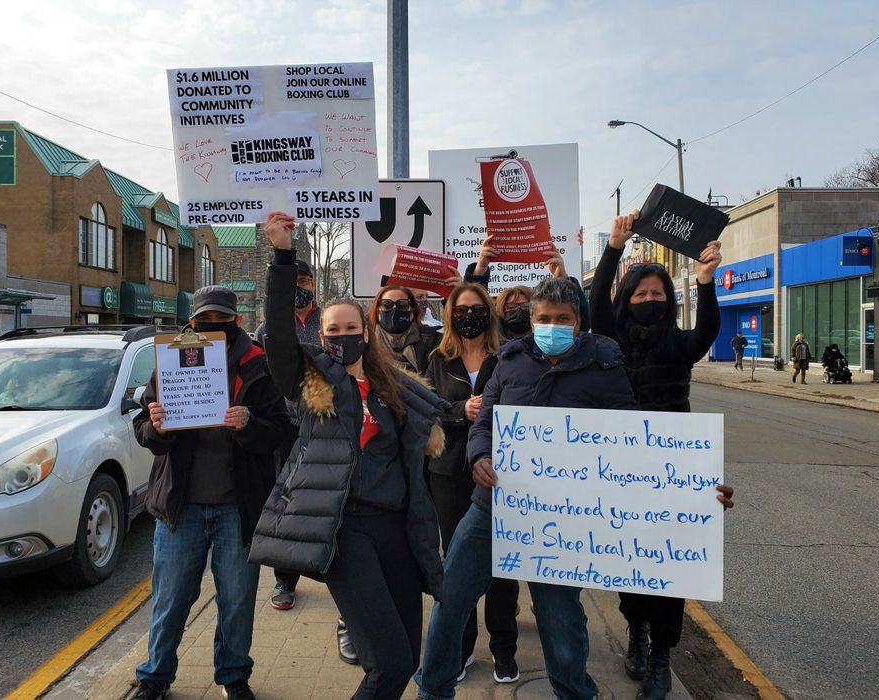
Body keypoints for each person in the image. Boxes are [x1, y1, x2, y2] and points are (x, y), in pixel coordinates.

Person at [250, 211, 448, 700]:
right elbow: (276, 334)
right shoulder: (310, 384)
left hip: (397, 531)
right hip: (343, 531)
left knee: (407, 656)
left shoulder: (394, 390)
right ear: (320, 335)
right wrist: (282, 255)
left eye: (350, 327)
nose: (341, 336)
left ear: (367, 331)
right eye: (331, 329)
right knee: (389, 665)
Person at [415, 277, 639, 700]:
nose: (552, 325)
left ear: (577, 322)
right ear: (532, 321)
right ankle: (433, 689)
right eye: (543, 318)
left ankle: (575, 692)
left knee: (561, 619)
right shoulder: (511, 360)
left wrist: (694, 489)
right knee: (451, 598)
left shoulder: (606, 366)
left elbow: (636, 440)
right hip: (491, 505)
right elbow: (484, 422)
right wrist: (479, 457)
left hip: (560, 518)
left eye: (563, 319)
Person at [590, 211, 734, 700]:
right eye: (640, 294)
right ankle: (636, 632)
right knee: (632, 561)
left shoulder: (679, 345)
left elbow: (708, 329)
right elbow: (596, 304)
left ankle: (663, 655)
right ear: (627, 301)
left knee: (669, 567)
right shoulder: (610, 346)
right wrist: (613, 247)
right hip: (624, 470)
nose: (649, 300)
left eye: (657, 295)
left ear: (669, 302)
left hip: (674, 471)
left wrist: (707, 281)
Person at [132, 286, 288, 700]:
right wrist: (157, 427)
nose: (213, 326)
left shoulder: (257, 364)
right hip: (179, 506)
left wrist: (250, 423)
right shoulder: (170, 360)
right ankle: (154, 678)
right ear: (192, 319)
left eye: (222, 319)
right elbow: (143, 427)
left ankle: (234, 676)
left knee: (237, 600)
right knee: (170, 600)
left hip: (238, 507)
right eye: (205, 319)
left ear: (236, 320)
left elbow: (280, 430)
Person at [424, 283, 521, 684]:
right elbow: (427, 407)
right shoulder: (438, 359)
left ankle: (504, 648)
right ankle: (462, 648)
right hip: (448, 473)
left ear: (489, 313)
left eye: (477, 308)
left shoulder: (509, 356)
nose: (469, 316)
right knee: (456, 563)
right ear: (450, 316)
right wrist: (459, 410)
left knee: (502, 562)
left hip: (498, 472)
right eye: (461, 310)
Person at [254, 259, 320, 614]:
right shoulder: (269, 329)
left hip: (326, 425)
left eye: (305, 280)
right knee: (285, 501)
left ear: (313, 283)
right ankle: (285, 578)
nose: (300, 286)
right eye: (293, 280)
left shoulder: (329, 323)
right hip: (285, 427)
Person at [368, 285, 441, 375]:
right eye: (387, 305)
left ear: (413, 311)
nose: (394, 310)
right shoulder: (364, 343)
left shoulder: (434, 343)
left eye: (403, 305)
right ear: (377, 311)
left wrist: (454, 291)